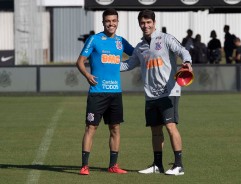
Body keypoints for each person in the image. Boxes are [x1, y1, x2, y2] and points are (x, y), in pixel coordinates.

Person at [120, 9, 193, 176]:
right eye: (142, 23)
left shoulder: (166, 38)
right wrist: (107, 66)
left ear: (154, 23)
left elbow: (183, 51)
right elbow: (128, 65)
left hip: (169, 91)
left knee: (170, 126)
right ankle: (157, 165)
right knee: (155, 130)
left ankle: (179, 165)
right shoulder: (139, 47)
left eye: (148, 22)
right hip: (151, 94)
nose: (145, 26)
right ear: (139, 24)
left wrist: (187, 62)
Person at [76, 8, 134, 175]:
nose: (111, 24)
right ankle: (85, 166)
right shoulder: (94, 39)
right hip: (97, 93)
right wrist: (87, 75)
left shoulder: (121, 41)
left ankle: (113, 165)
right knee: (91, 128)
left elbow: (137, 54)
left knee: (115, 128)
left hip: (115, 93)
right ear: (103, 22)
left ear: (117, 22)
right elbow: (80, 61)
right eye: (108, 21)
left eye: (114, 21)